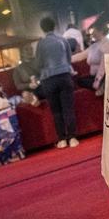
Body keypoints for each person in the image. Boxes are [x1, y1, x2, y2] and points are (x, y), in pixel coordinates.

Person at [35, 16, 79, 148]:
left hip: (49, 80)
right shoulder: (63, 40)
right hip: (65, 77)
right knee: (68, 108)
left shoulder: (41, 44)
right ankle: (73, 138)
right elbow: (69, 59)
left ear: (42, 29)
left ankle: (62, 139)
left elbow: (39, 63)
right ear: (54, 26)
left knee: (56, 111)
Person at [72, 24, 109, 94]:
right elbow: (81, 55)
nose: (92, 34)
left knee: (80, 81)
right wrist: (66, 59)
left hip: (104, 78)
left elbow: (104, 66)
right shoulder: (95, 45)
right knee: (79, 80)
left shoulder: (107, 45)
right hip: (94, 76)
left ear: (101, 31)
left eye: (94, 31)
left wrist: (97, 82)